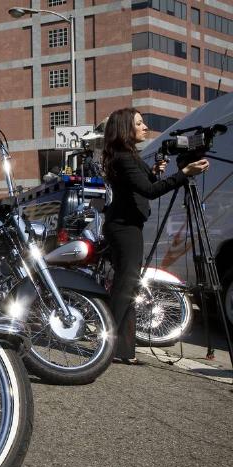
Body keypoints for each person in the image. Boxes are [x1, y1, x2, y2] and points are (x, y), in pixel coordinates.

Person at [101, 108, 210, 364]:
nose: (145, 127)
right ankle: (108, 347)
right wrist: (184, 174)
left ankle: (123, 352)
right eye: (139, 123)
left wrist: (155, 171)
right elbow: (150, 191)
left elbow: (142, 186)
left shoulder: (126, 156)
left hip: (127, 227)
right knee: (125, 288)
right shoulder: (125, 158)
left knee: (128, 287)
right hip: (125, 228)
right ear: (125, 128)